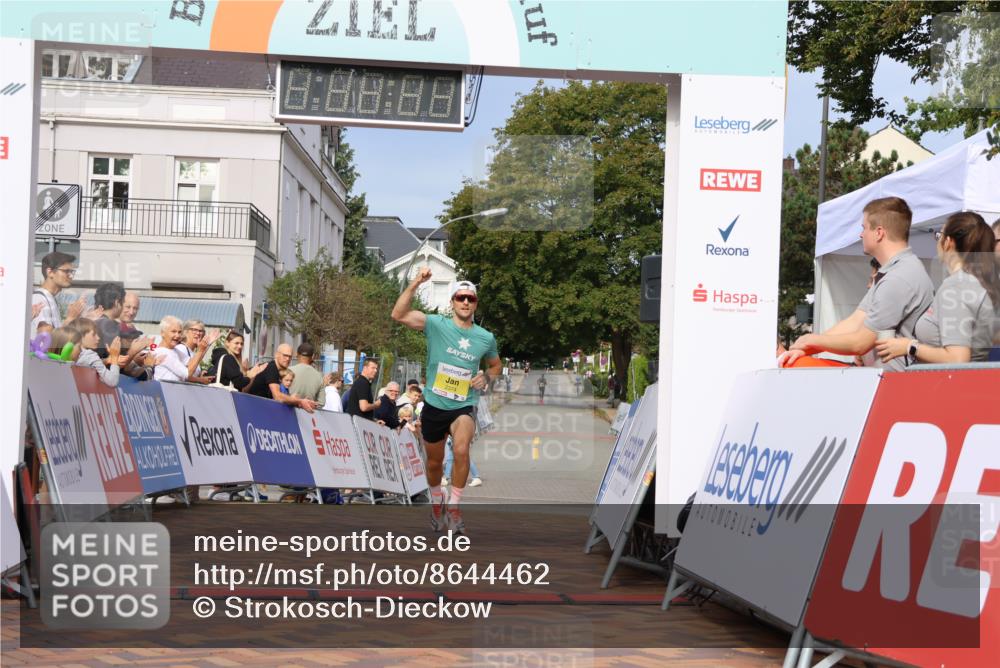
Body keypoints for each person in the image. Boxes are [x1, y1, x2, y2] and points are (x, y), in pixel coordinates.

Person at [392, 270, 501, 534]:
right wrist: (416, 283)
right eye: (460, 297)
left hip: (464, 404)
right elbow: (398, 314)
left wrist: (486, 377)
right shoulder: (436, 324)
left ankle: (454, 507)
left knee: (461, 449)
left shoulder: (485, 337)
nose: (465, 302)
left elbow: (496, 365)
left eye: (470, 298)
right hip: (434, 404)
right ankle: (437, 502)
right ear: (452, 301)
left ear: (475, 304)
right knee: (434, 463)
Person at [781, 197, 933, 371]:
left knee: (796, 366)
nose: (861, 235)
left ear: (879, 233)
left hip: (892, 382)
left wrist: (812, 341)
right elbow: (855, 320)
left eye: (864, 228)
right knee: (797, 362)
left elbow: (860, 343)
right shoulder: (894, 272)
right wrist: (807, 347)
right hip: (877, 377)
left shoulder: (898, 278)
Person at [876, 212, 999, 364]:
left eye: (939, 235)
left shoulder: (957, 287)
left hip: (953, 379)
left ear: (948, 242)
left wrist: (910, 347)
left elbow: (958, 359)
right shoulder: (980, 283)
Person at [245, 343, 319, 412]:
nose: (287, 359)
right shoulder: (272, 368)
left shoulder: (276, 369)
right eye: (285, 355)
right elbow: (277, 396)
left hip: (259, 409)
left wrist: (295, 401)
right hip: (254, 409)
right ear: (276, 355)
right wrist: (299, 401)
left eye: (290, 356)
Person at [32, 251, 86, 331]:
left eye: (71, 272)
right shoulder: (40, 299)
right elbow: (45, 336)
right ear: (50, 272)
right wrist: (70, 318)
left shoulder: (49, 298)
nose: (70, 275)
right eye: (66, 271)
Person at [74, 318, 121, 387]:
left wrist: (106, 360)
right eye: (94, 334)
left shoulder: (77, 354)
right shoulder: (90, 355)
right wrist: (114, 357)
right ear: (80, 337)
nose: (98, 338)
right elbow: (112, 381)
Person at [175, 320, 217, 384]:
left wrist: (200, 375)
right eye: (194, 330)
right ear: (185, 332)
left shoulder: (192, 352)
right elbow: (184, 375)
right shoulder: (181, 348)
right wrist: (200, 380)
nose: (198, 333)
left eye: (201, 331)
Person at [153, 316, 191, 382]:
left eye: (179, 332)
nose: (177, 335)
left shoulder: (175, 350)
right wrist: (201, 351)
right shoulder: (162, 352)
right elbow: (187, 374)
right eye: (173, 331)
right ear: (162, 333)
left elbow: (194, 368)